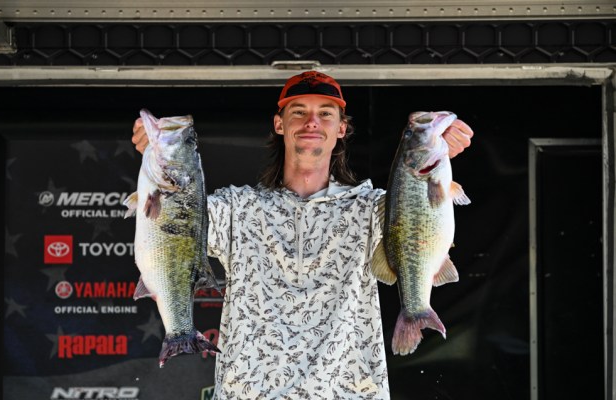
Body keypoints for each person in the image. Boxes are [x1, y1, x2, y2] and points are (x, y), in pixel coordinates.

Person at [131, 71, 473, 399]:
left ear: (341, 128)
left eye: (325, 113)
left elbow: (419, 216)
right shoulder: (235, 208)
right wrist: (159, 154)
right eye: (299, 112)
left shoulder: (374, 208)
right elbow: (176, 218)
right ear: (279, 124)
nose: (312, 122)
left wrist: (440, 152)